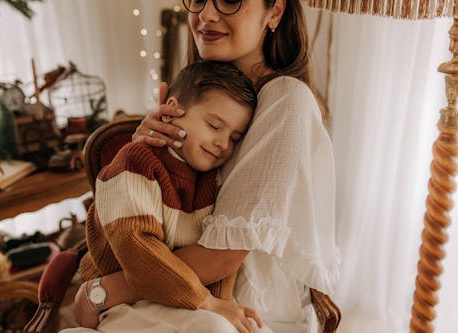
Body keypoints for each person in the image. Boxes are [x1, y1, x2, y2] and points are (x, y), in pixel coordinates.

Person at [74, 0, 340, 332]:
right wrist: (146, 151)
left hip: (243, 306)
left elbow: (221, 257)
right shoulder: (199, 92)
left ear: (274, 11)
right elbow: (146, 221)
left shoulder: (286, 99)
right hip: (168, 295)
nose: (207, 15)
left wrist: (101, 292)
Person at [64, 60, 261, 332]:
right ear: (170, 112)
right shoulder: (136, 162)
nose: (223, 144)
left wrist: (221, 304)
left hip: (183, 299)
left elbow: (220, 262)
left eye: (235, 137)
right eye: (215, 126)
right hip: (127, 302)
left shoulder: (212, 179)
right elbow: (139, 252)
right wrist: (207, 303)